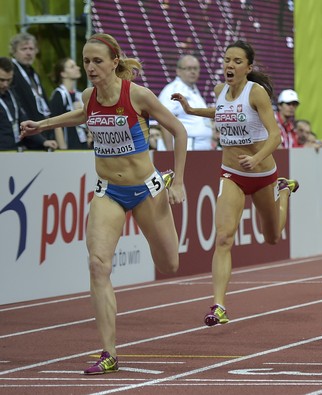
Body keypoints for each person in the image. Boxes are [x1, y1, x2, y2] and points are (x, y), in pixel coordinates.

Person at [20, 33, 188, 374]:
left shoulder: (137, 95)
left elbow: (179, 131)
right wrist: (43, 125)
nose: (91, 68)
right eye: (86, 62)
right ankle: (108, 352)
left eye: (98, 61)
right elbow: (83, 115)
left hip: (145, 189)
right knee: (98, 265)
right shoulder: (88, 96)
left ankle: (165, 178)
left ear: (114, 62)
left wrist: (180, 181)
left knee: (169, 264)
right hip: (108, 191)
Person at [171, 40, 299, 327]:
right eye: (227, 60)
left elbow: (275, 136)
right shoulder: (219, 91)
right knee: (224, 238)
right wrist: (192, 111)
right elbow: (221, 113)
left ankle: (285, 191)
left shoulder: (258, 94)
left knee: (273, 238)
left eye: (237, 61)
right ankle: (219, 305)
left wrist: (257, 159)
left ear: (248, 67)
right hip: (231, 174)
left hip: (262, 174)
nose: (229, 65)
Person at [0, 57, 57, 151]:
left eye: (8, 80)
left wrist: (43, 141)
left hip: (14, 150)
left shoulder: (11, 93)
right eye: (1, 80)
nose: (5, 84)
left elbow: (23, 121)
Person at [157, 55, 213, 150]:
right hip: (187, 147)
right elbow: (164, 121)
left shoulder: (193, 90)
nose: (193, 72)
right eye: (188, 68)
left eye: (195, 68)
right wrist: (169, 154)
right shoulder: (172, 90)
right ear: (178, 71)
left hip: (202, 148)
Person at [9, 32, 55, 142]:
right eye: (24, 49)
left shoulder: (33, 73)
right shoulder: (11, 72)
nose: (29, 53)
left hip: (41, 128)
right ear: (14, 51)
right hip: (26, 132)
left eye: (31, 49)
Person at [49, 57, 90, 149]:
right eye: (72, 67)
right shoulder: (59, 95)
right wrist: (63, 149)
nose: (78, 68)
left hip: (82, 144)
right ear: (63, 73)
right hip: (69, 147)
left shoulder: (79, 94)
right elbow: (56, 124)